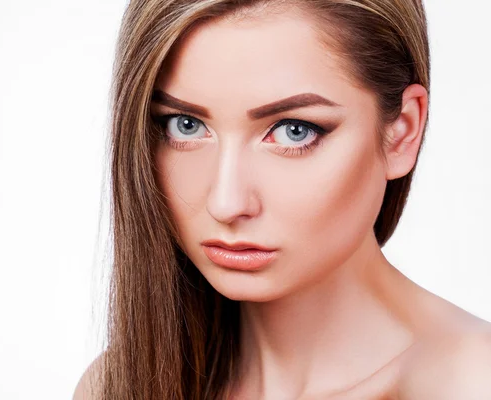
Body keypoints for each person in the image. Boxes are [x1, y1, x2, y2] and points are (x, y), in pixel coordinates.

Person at [75, 0, 491, 398]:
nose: (226, 202)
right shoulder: (115, 387)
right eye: (185, 126)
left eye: (294, 130)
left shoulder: (471, 383)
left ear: (402, 132)